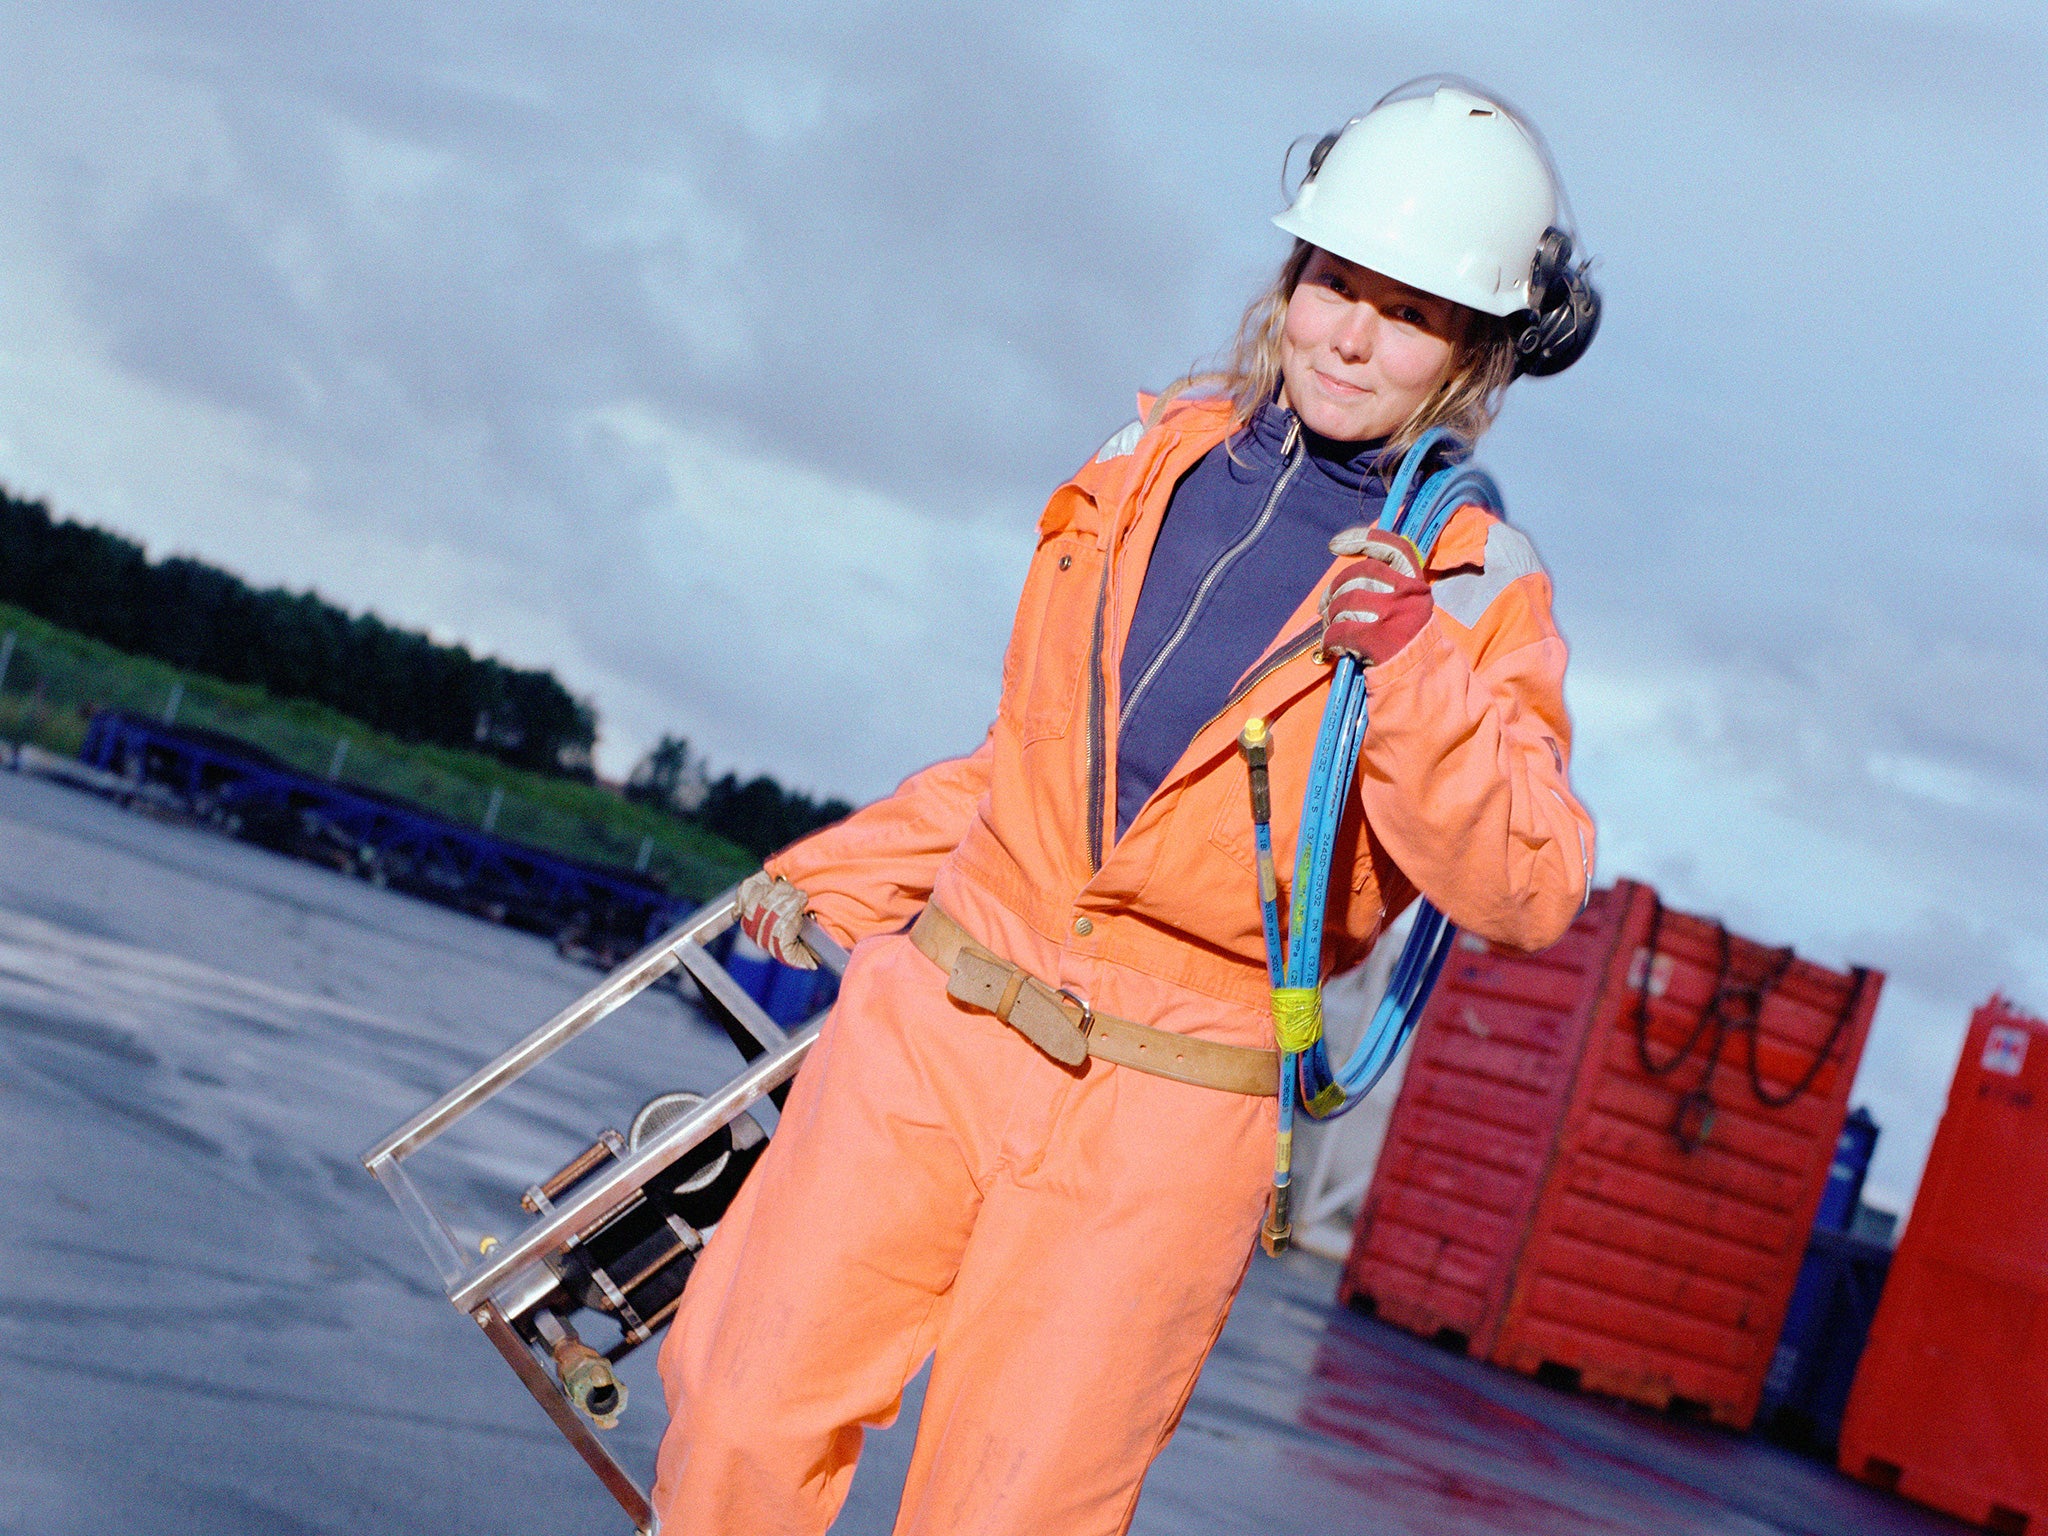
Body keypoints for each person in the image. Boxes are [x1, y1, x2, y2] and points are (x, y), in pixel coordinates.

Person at [653, 78, 1598, 1535]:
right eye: (1334, 282)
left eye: (1405, 312)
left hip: (1165, 1102)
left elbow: (1531, 887)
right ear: (1292, 276)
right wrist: (841, 871)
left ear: (1477, 349)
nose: (1349, 333)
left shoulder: (1474, 589)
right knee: (739, 1415)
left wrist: (1410, 667)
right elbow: (1030, 761)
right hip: (945, 1014)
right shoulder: (1142, 463)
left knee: (1008, 1513)